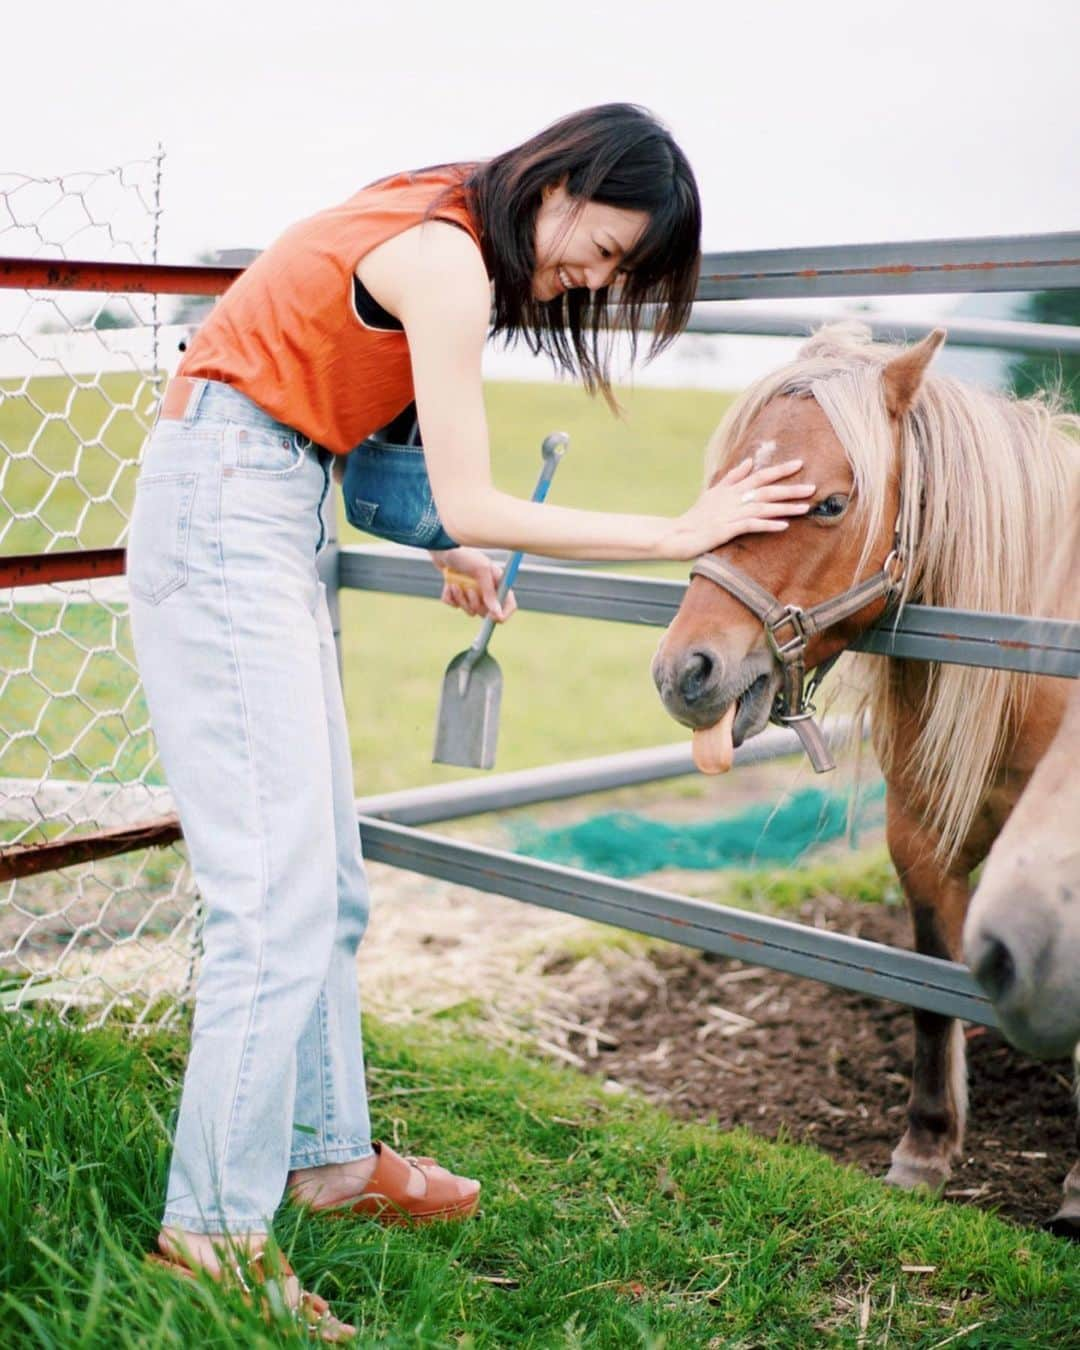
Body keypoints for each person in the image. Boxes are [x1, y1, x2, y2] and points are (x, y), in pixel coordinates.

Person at [127, 103, 814, 1338]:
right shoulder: (449, 260)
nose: (597, 277)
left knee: (323, 887)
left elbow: (377, 442)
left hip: (262, 492)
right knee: (271, 902)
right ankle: (209, 1240)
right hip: (228, 502)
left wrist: (447, 538)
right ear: (563, 175)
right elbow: (467, 484)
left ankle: (330, 1161)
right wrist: (674, 531)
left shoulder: (445, 215)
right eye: (609, 246)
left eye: (623, 271)